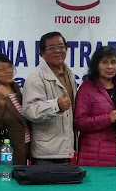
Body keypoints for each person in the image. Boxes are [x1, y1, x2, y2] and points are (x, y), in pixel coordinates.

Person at [22, 32, 77, 164]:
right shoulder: (36, 78)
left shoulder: (69, 74)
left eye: (61, 46)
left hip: (66, 149)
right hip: (45, 153)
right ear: (41, 53)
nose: (58, 51)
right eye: (51, 48)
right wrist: (56, 105)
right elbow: (30, 110)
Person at [74, 46, 116, 166]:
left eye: (113, 62)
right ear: (96, 65)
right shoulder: (86, 88)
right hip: (93, 154)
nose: (109, 67)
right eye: (104, 62)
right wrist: (108, 118)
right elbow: (79, 122)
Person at [0, 53, 30, 165]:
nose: (8, 71)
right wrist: (1, 101)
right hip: (7, 152)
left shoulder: (17, 90)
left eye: (9, 67)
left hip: (27, 147)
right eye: (2, 69)